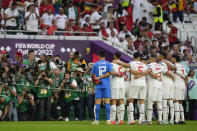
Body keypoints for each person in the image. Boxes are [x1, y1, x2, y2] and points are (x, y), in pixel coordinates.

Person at [113, 52, 150, 124]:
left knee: (131, 100)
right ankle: (140, 120)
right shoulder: (144, 64)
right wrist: (140, 74)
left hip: (135, 83)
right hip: (143, 84)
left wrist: (117, 61)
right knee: (142, 101)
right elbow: (147, 71)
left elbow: (126, 65)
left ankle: (131, 119)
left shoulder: (132, 63)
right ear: (139, 57)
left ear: (133, 57)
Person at [90, 50, 119, 125]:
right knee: (107, 102)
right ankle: (108, 120)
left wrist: (93, 87)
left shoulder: (95, 64)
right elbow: (112, 72)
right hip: (106, 85)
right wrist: (117, 73)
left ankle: (97, 121)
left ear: (99, 56)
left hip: (98, 85)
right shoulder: (108, 64)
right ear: (105, 56)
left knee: (97, 102)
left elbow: (92, 76)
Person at [165, 54, 187, 124]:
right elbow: (186, 77)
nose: (171, 59)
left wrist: (164, 60)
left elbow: (173, 67)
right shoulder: (182, 66)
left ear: (174, 59)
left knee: (176, 101)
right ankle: (182, 119)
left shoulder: (176, 66)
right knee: (180, 102)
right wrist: (185, 85)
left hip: (177, 85)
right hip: (182, 85)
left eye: (172, 58)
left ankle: (176, 120)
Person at [146, 55, 165, 125]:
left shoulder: (150, 65)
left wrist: (154, 75)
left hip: (153, 85)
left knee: (150, 102)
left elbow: (150, 72)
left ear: (151, 59)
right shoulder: (160, 66)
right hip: (160, 85)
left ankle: (149, 120)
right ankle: (160, 120)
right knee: (159, 103)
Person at [158, 52, 175, 124]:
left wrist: (172, 76)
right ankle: (172, 120)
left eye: (159, 55)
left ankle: (164, 119)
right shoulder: (169, 62)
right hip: (171, 83)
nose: (158, 56)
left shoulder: (162, 63)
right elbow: (174, 68)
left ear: (161, 56)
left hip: (166, 82)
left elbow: (165, 72)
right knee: (171, 101)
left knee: (164, 101)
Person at [110, 52, 126, 125]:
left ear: (114, 56)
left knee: (114, 100)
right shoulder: (123, 64)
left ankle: (112, 120)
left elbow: (111, 72)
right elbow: (128, 67)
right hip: (122, 84)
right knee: (121, 100)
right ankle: (121, 120)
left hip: (115, 83)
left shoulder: (112, 64)